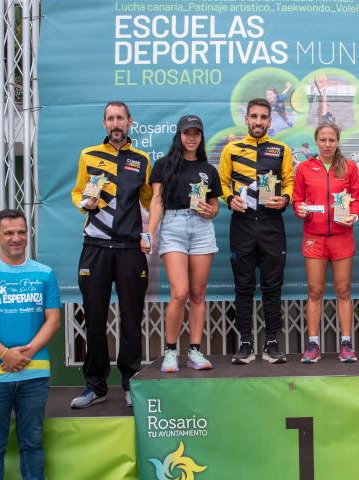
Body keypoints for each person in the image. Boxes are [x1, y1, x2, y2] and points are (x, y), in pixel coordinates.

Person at [0, 209, 61, 480]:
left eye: (21, 232)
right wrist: (5, 354)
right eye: (9, 233)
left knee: (33, 444)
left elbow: (53, 320)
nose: (16, 238)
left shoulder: (45, 273)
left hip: (34, 375)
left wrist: (25, 354)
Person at [70, 101, 152, 409]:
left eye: (120, 118)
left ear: (130, 122)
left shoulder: (141, 160)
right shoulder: (88, 155)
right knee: (94, 317)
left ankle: (130, 382)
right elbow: (78, 192)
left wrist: (151, 230)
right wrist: (85, 204)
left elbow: (150, 200)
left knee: (132, 319)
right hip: (96, 247)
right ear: (104, 123)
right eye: (110, 118)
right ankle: (95, 386)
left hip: (130, 248)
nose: (116, 123)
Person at [219, 98, 294, 365]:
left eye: (263, 117)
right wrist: (229, 200)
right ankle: (245, 343)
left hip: (272, 223)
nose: (258, 122)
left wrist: (285, 199)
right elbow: (222, 184)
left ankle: (271, 343)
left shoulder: (281, 149)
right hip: (242, 224)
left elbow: (289, 181)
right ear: (246, 119)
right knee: (244, 286)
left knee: (273, 286)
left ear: (270, 121)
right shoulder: (232, 149)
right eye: (254, 116)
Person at [143, 115, 220, 373]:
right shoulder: (164, 165)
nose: (191, 137)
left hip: (201, 229)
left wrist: (210, 211)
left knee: (198, 293)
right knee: (180, 292)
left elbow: (215, 207)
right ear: (179, 135)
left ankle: (195, 351)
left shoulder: (208, 169)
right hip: (173, 226)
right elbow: (156, 201)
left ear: (201, 137)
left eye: (196, 133)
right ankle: (170, 351)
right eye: (187, 133)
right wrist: (150, 232)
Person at [293, 123, 359, 363]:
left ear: (338, 141)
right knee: (315, 291)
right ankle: (313, 345)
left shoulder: (350, 167)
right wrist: (300, 210)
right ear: (316, 141)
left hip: (342, 237)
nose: (327, 144)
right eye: (323, 140)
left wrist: (354, 214)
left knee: (343, 291)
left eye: (332, 140)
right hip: (315, 237)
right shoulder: (304, 168)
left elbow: (355, 199)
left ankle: (346, 344)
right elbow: (298, 200)